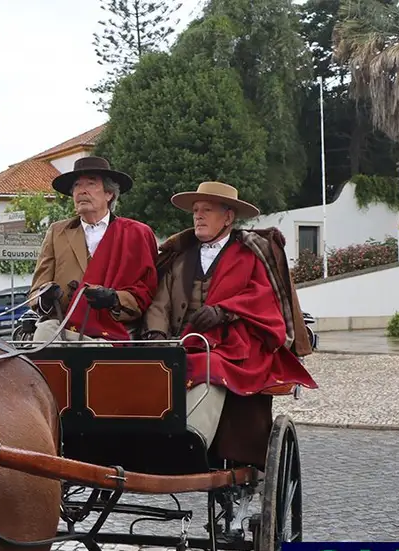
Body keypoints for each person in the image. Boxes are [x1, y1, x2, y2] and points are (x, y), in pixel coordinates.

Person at [142, 181, 316, 464]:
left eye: (206, 210)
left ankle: (191, 441)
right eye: (196, 210)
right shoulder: (180, 257)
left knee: (210, 365)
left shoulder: (250, 254)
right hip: (182, 340)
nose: (198, 216)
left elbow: (263, 297)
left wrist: (224, 312)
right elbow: (160, 303)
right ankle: (138, 435)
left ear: (228, 217)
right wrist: (156, 334)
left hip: (236, 343)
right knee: (147, 363)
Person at [27, 156, 157, 343]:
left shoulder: (137, 233)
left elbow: (147, 291)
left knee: (95, 354)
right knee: (43, 335)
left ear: (109, 193)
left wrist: (114, 299)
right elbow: (36, 291)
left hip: (114, 331)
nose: (82, 191)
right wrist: (45, 298)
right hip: (63, 328)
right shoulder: (57, 232)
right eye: (77, 186)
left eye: (91, 183)